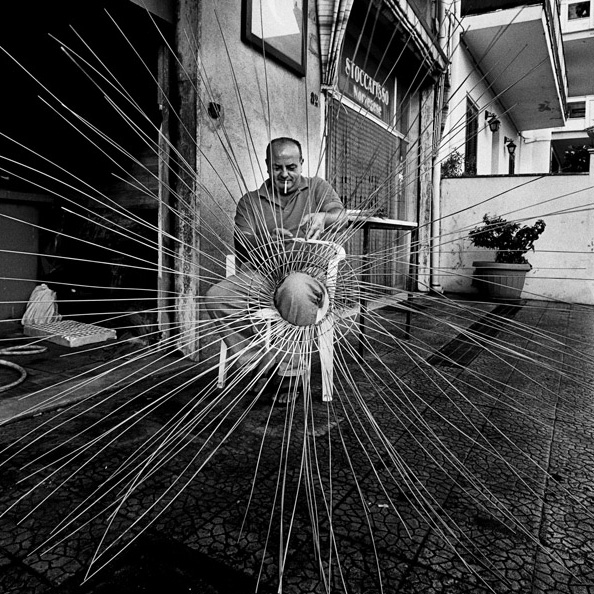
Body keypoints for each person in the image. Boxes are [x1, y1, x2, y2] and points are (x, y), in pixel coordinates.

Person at [205, 137, 345, 401]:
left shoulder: (317, 188)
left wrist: (324, 217)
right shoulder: (250, 201)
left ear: (301, 163)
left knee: (294, 288)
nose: (285, 174)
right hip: (263, 275)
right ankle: (263, 365)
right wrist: (266, 239)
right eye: (277, 167)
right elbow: (243, 242)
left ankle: (290, 374)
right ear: (267, 165)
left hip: (307, 273)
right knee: (217, 296)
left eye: (291, 167)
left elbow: (342, 217)